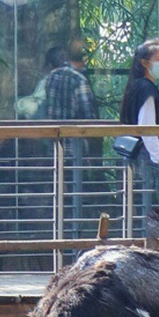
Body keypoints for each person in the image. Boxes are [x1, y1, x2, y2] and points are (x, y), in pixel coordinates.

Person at [40, 44, 97, 242]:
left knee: (58, 186)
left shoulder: (50, 80)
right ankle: (76, 233)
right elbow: (88, 114)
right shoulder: (79, 80)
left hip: (55, 144)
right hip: (76, 145)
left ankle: (58, 233)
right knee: (77, 189)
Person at [119, 37, 159, 226]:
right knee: (152, 206)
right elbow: (148, 129)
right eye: (158, 58)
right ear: (144, 63)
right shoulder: (146, 89)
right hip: (146, 157)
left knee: (141, 206)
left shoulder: (136, 86)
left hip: (136, 157)